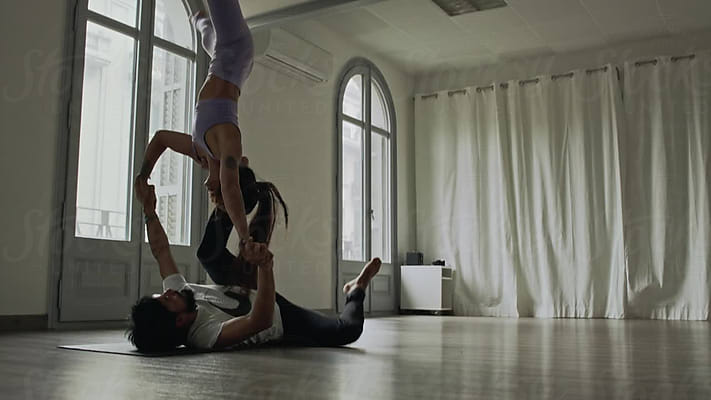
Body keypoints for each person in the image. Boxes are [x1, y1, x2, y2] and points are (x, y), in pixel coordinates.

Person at [128, 179, 382, 352]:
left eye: (161, 294)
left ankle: (233, 193)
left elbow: (160, 251)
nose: (168, 292)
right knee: (345, 331)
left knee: (208, 254)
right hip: (277, 313)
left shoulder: (180, 297)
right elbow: (259, 319)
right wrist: (265, 266)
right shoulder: (205, 336)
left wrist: (149, 210)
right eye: (166, 300)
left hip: (240, 286)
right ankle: (355, 290)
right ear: (181, 321)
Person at [136, 0, 256, 248]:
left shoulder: (199, 150)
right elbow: (232, 187)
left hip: (222, 58)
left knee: (203, 30)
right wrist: (244, 237)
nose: (212, 195)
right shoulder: (229, 146)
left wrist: (143, 175)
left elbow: (160, 139)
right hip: (236, 49)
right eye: (217, 197)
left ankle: (193, 9)